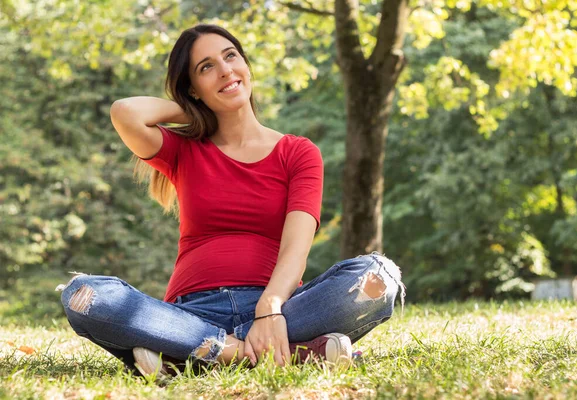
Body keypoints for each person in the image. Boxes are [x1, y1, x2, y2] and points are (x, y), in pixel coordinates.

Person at [57, 24, 405, 378]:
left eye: (230, 57)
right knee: (85, 294)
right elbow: (125, 112)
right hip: (190, 315)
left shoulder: (298, 152)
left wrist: (269, 308)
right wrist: (199, 106)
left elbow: (297, 249)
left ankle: (191, 355)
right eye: (206, 68)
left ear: (246, 64)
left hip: (282, 311)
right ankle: (269, 353)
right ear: (192, 88)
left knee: (379, 276)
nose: (225, 70)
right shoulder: (185, 151)